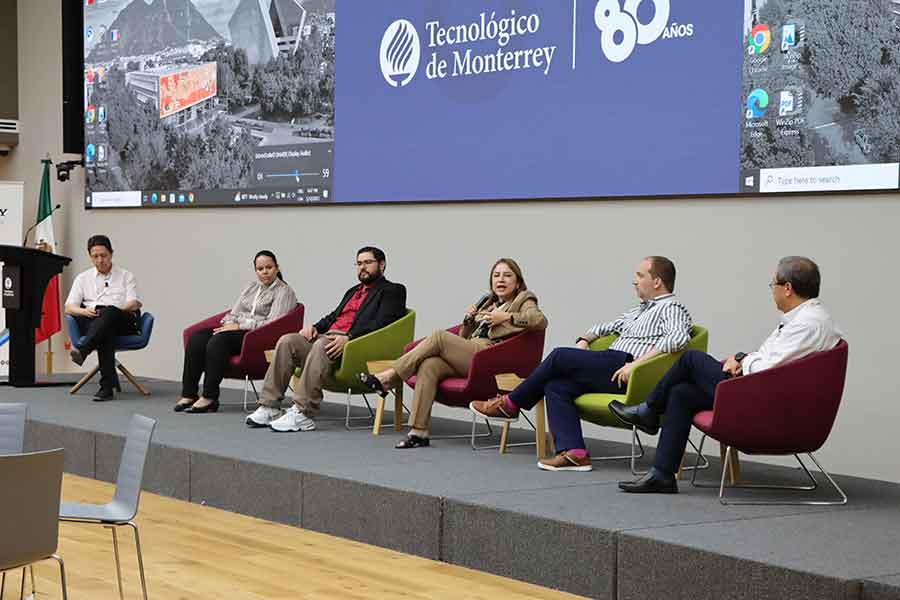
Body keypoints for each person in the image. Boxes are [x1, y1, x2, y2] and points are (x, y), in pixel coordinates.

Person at [611, 256, 843, 493]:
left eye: (772, 284)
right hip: (765, 392)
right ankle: (662, 475)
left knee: (691, 359)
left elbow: (768, 367)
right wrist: (742, 359)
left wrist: (742, 361)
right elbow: (778, 361)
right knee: (682, 394)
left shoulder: (807, 324)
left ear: (788, 288)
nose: (771, 290)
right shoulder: (806, 318)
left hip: (768, 404)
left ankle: (648, 411)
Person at [471, 256, 692, 471]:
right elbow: (602, 328)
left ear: (657, 281)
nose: (635, 280)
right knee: (555, 385)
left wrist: (635, 365)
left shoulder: (671, 308)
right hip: (610, 366)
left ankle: (510, 404)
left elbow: (678, 338)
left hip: (629, 369)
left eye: (640, 275)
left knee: (559, 356)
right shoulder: (639, 310)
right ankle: (574, 453)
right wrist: (584, 340)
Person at [361, 258, 547, 449]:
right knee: (430, 364)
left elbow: (539, 320)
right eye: (496, 275)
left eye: (507, 276)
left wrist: (507, 317)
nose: (501, 280)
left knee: (439, 337)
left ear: (517, 282)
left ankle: (390, 376)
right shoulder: (489, 304)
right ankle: (419, 432)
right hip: (471, 354)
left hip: (490, 357)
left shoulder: (524, 299)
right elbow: (463, 337)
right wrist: (469, 320)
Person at [245, 246, 407, 431]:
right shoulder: (353, 291)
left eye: (368, 263)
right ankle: (270, 406)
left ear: (382, 264)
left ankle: (303, 412)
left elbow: (383, 323)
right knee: (287, 341)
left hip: (354, 346)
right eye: (359, 263)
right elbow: (333, 317)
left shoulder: (393, 290)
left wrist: (350, 338)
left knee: (322, 344)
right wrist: (314, 327)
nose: (362, 267)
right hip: (328, 339)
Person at [175, 251, 298, 414]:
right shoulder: (251, 288)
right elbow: (234, 312)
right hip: (238, 330)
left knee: (218, 342)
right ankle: (189, 394)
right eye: (260, 269)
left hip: (259, 337)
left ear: (277, 268)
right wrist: (229, 324)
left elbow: (272, 323)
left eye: (269, 267)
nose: (265, 271)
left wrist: (240, 326)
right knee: (197, 338)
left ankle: (210, 397)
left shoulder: (284, 291)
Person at [65, 235, 142, 402]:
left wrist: (112, 311)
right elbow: (69, 307)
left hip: (123, 319)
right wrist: (85, 312)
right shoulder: (82, 278)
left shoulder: (126, 276)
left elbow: (133, 303)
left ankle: (83, 350)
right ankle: (106, 388)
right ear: (90, 256)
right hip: (93, 320)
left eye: (104, 255)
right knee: (105, 329)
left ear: (111, 254)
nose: (100, 260)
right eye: (95, 256)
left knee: (108, 314)